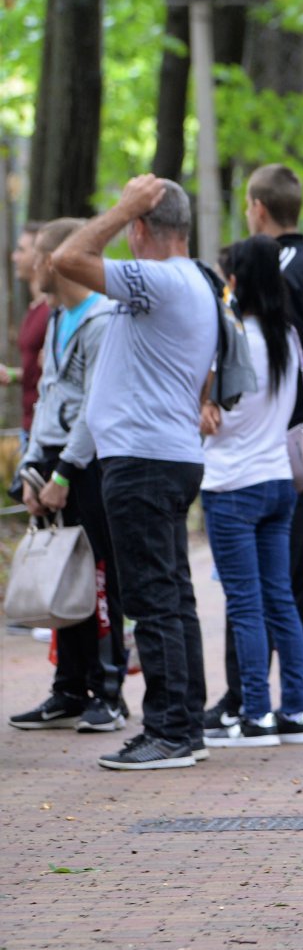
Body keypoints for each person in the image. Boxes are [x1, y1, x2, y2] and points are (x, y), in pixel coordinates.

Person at [50, 176, 218, 771]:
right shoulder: (193, 280)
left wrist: (120, 208)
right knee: (171, 597)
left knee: (152, 599)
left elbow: (67, 258)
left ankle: (170, 731)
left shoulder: (162, 279)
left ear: (141, 227)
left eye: (131, 223)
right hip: (162, 456)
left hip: (145, 462)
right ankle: (184, 725)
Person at [205, 165, 303, 735]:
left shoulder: (279, 274)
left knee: (265, 586)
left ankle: (249, 698)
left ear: (258, 209)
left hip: (278, 451)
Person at [8, 218, 128, 735]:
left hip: (87, 463)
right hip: (54, 459)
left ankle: (109, 691)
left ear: (57, 261)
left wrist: (64, 470)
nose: (32, 266)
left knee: (98, 575)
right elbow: (53, 394)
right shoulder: (58, 315)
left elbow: (93, 409)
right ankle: (68, 687)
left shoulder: (102, 321)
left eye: (38, 256)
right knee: (64, 573)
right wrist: (31, 468)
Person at [200, 236, 303, 749]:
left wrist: (202, 410)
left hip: (232, 484)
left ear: (237, 280)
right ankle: (297, 709)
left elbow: (224, 419)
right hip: (276, 478)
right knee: (279, 601)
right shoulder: (288, 334)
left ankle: (256, 714)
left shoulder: (237, 336)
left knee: (245, 605)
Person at [3, 221, 49, 427]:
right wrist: (12, 374)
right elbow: (39, 371)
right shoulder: (34, 309)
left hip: (46, 425)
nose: (15, 257)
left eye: (21, 250)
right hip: (29, 423)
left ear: (39, 255)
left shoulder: (53, 311)